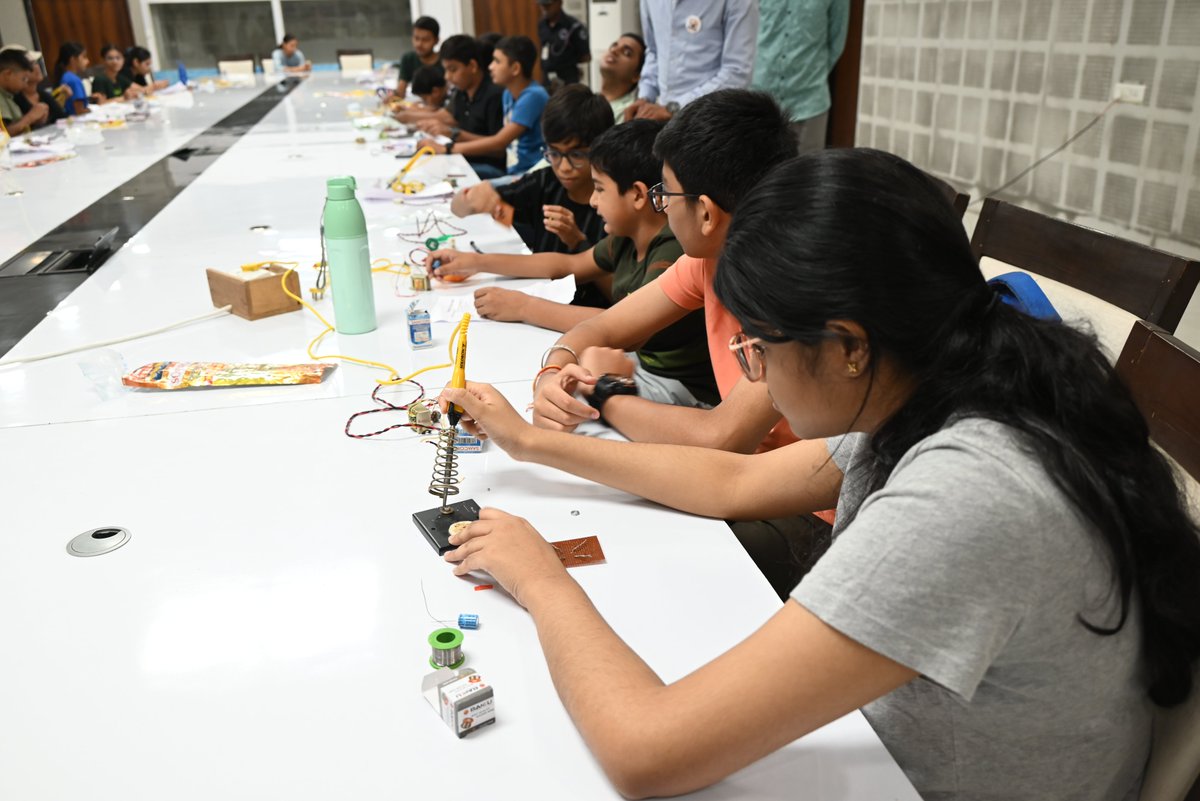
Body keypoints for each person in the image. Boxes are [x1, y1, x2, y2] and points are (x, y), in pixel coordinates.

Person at [437, 148, 1200, 800]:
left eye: (757, 350)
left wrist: (540, 576)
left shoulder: (971, 491)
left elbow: (644, 749)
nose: (752, 370)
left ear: (847, 346)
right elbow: (730, 484)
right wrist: (532, 446)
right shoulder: (939, 380)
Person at [529, 90, 825, 594]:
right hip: (743, 477)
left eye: (665, 195)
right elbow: (599, 328)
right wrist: (555, 367)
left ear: (706, 212)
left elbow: (720, 440)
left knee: (634, 557)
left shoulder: (789, 291)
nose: (662, 209)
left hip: (809, 511)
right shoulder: (707, 259)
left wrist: (600, 395)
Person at [436, 119, 719, 409]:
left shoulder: (672, 250)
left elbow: (622, 324)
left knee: (567, 400)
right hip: (645, 367)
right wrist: (475, 262)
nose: (593, 202)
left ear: (636, 194)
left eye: (599, 189)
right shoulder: (625, 236)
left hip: (681, 389)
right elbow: (564, 264)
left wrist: (524, 307)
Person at [447, 85, 609, 266]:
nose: (564, 167)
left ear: (599, 150)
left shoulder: (613, 204)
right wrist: (472, 199)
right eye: (554, 154)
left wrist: (578, 242)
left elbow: (615, 287)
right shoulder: (545, 183)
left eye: (576, 155)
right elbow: (457, 209)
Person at [418, 35, 549, 177]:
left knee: (459, 186)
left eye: (497, 61)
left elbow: (499, 142)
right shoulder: (508, 94)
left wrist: (447, 149)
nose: (490, 66)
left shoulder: (533, 96)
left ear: (515, 68)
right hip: (514, 172)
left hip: (530, 175)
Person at [626, 0, 757, 123]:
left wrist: (675, 108)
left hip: (712, 121)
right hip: (663, 118)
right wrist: (645, 96)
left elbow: (737, 72)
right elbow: (654, 52)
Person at [754, 0, 849, 152]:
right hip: (761, 96)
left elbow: (836, 40)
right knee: (757, 171)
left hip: (809, 101)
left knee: (806, 172)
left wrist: (812, 73)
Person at [404, 35, 505, 177]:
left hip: (488, 166)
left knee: (428, 173)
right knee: (418, 165)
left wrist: (453, 135)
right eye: (445, 70)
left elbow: (497, 148)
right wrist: (437, 129)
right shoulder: (460, 93)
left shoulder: (495, 95)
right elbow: (447, 119)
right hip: (461, 158)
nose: (447, 77)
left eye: (453, 69)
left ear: (472, 66)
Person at [537, 0, 589, 87]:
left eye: (548, 5)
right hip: (547, 78)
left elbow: (586, 56)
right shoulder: (542, 24)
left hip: (567, 78)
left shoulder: (574, 26)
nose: (544, 8)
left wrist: (567, 61)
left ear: (559, 3)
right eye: (542, 5)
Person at [597, 34, 644, 122]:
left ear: (636, 76)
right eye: (613, 46)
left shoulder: (632, 114)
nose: (614, 50)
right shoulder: (587, 101)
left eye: (627, 53)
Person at [0, 49, 47, 134]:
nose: (25, 85)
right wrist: (30, 117)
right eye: (24, 79)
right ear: (8, 74)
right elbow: (4, 134)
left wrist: (35, 121)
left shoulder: (8, 95)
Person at [13, 52, 65, 127]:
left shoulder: (44, 95)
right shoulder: (15, 99)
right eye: (30, 64)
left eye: (36, 63)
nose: (37, 67)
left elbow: (62, 118)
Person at [396, 15, 442, 99]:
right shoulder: (408, 59)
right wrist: (393, 97)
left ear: (436, 41)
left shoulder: (445, 62)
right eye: (416, 38)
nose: (419, 44)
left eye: (426, 40)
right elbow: (400, 92)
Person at [54, 42, 90, 116]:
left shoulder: (65, 76)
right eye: (84, 57)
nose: (87, 61)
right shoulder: (74, 80)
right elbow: (79, 111)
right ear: (73, 59)